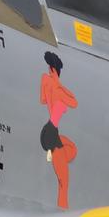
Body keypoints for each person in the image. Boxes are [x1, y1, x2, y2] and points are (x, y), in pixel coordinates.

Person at [38, 51, 78, 208]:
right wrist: (60, 84)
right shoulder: (59, 90)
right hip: (52, 133)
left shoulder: (45, 81)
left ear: (51, 69)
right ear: (57, 71)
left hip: (48, 131)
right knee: (64, 182)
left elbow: (42, 100)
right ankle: (63, 211)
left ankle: (54, 156)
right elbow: (74, 102)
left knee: (72, 149)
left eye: (50, 68)